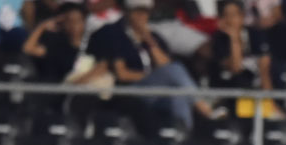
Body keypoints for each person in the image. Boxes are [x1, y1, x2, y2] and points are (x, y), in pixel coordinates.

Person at [87, 0, 221, 134]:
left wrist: (150, 41)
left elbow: (166, 66)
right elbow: (122, 73)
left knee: (178, 96)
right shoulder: (116, 34)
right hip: (131, 90)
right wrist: (153, 76)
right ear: (128, 13)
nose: (141, 17)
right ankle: (205, 108)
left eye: (145, 13)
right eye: (137, 12)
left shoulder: (154, 37)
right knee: (175, 70)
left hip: (155, 90)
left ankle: (182, 137)